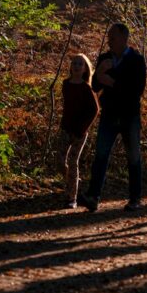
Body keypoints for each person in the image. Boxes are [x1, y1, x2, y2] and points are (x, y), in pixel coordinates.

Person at [77, 23, 147, 213]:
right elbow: (96, 87)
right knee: (101, 154)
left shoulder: (136, 60)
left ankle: (135, 198)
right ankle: (93, 196)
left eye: (112, 38)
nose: (109, 41)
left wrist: (113, 83)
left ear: (124, 38)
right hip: (109, 113)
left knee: (133, 157)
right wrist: (99, 74)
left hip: (130, 115)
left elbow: (137, 90)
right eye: (109, 37)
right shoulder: (105, 58)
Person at [59, 54, 99, 208]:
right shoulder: (65, 84)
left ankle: (72, 198)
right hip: (65, 128)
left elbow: (94, 110)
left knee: (73, 162)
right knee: (60, 160)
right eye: (74, 63)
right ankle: (72, 180)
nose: (76, 66)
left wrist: (82, 128)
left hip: (80, 132)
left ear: (85, 68)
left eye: (80, 64)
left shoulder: (86, 88)